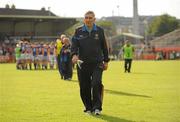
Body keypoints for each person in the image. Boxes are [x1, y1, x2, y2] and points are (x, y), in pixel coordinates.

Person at [71, 11, 110, 115]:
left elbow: (104, 47)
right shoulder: (78, 31)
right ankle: (88, 107)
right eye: (86, 18)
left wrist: (106, 61)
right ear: (84, 19)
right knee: (84, 86)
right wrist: (74, 55)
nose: (88, 20)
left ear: (94, 19)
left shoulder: (100, 31)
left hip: (97, 63)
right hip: (82, 63)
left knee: (96, 83)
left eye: (90, 18)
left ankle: (97, 108)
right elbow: (74, 45)